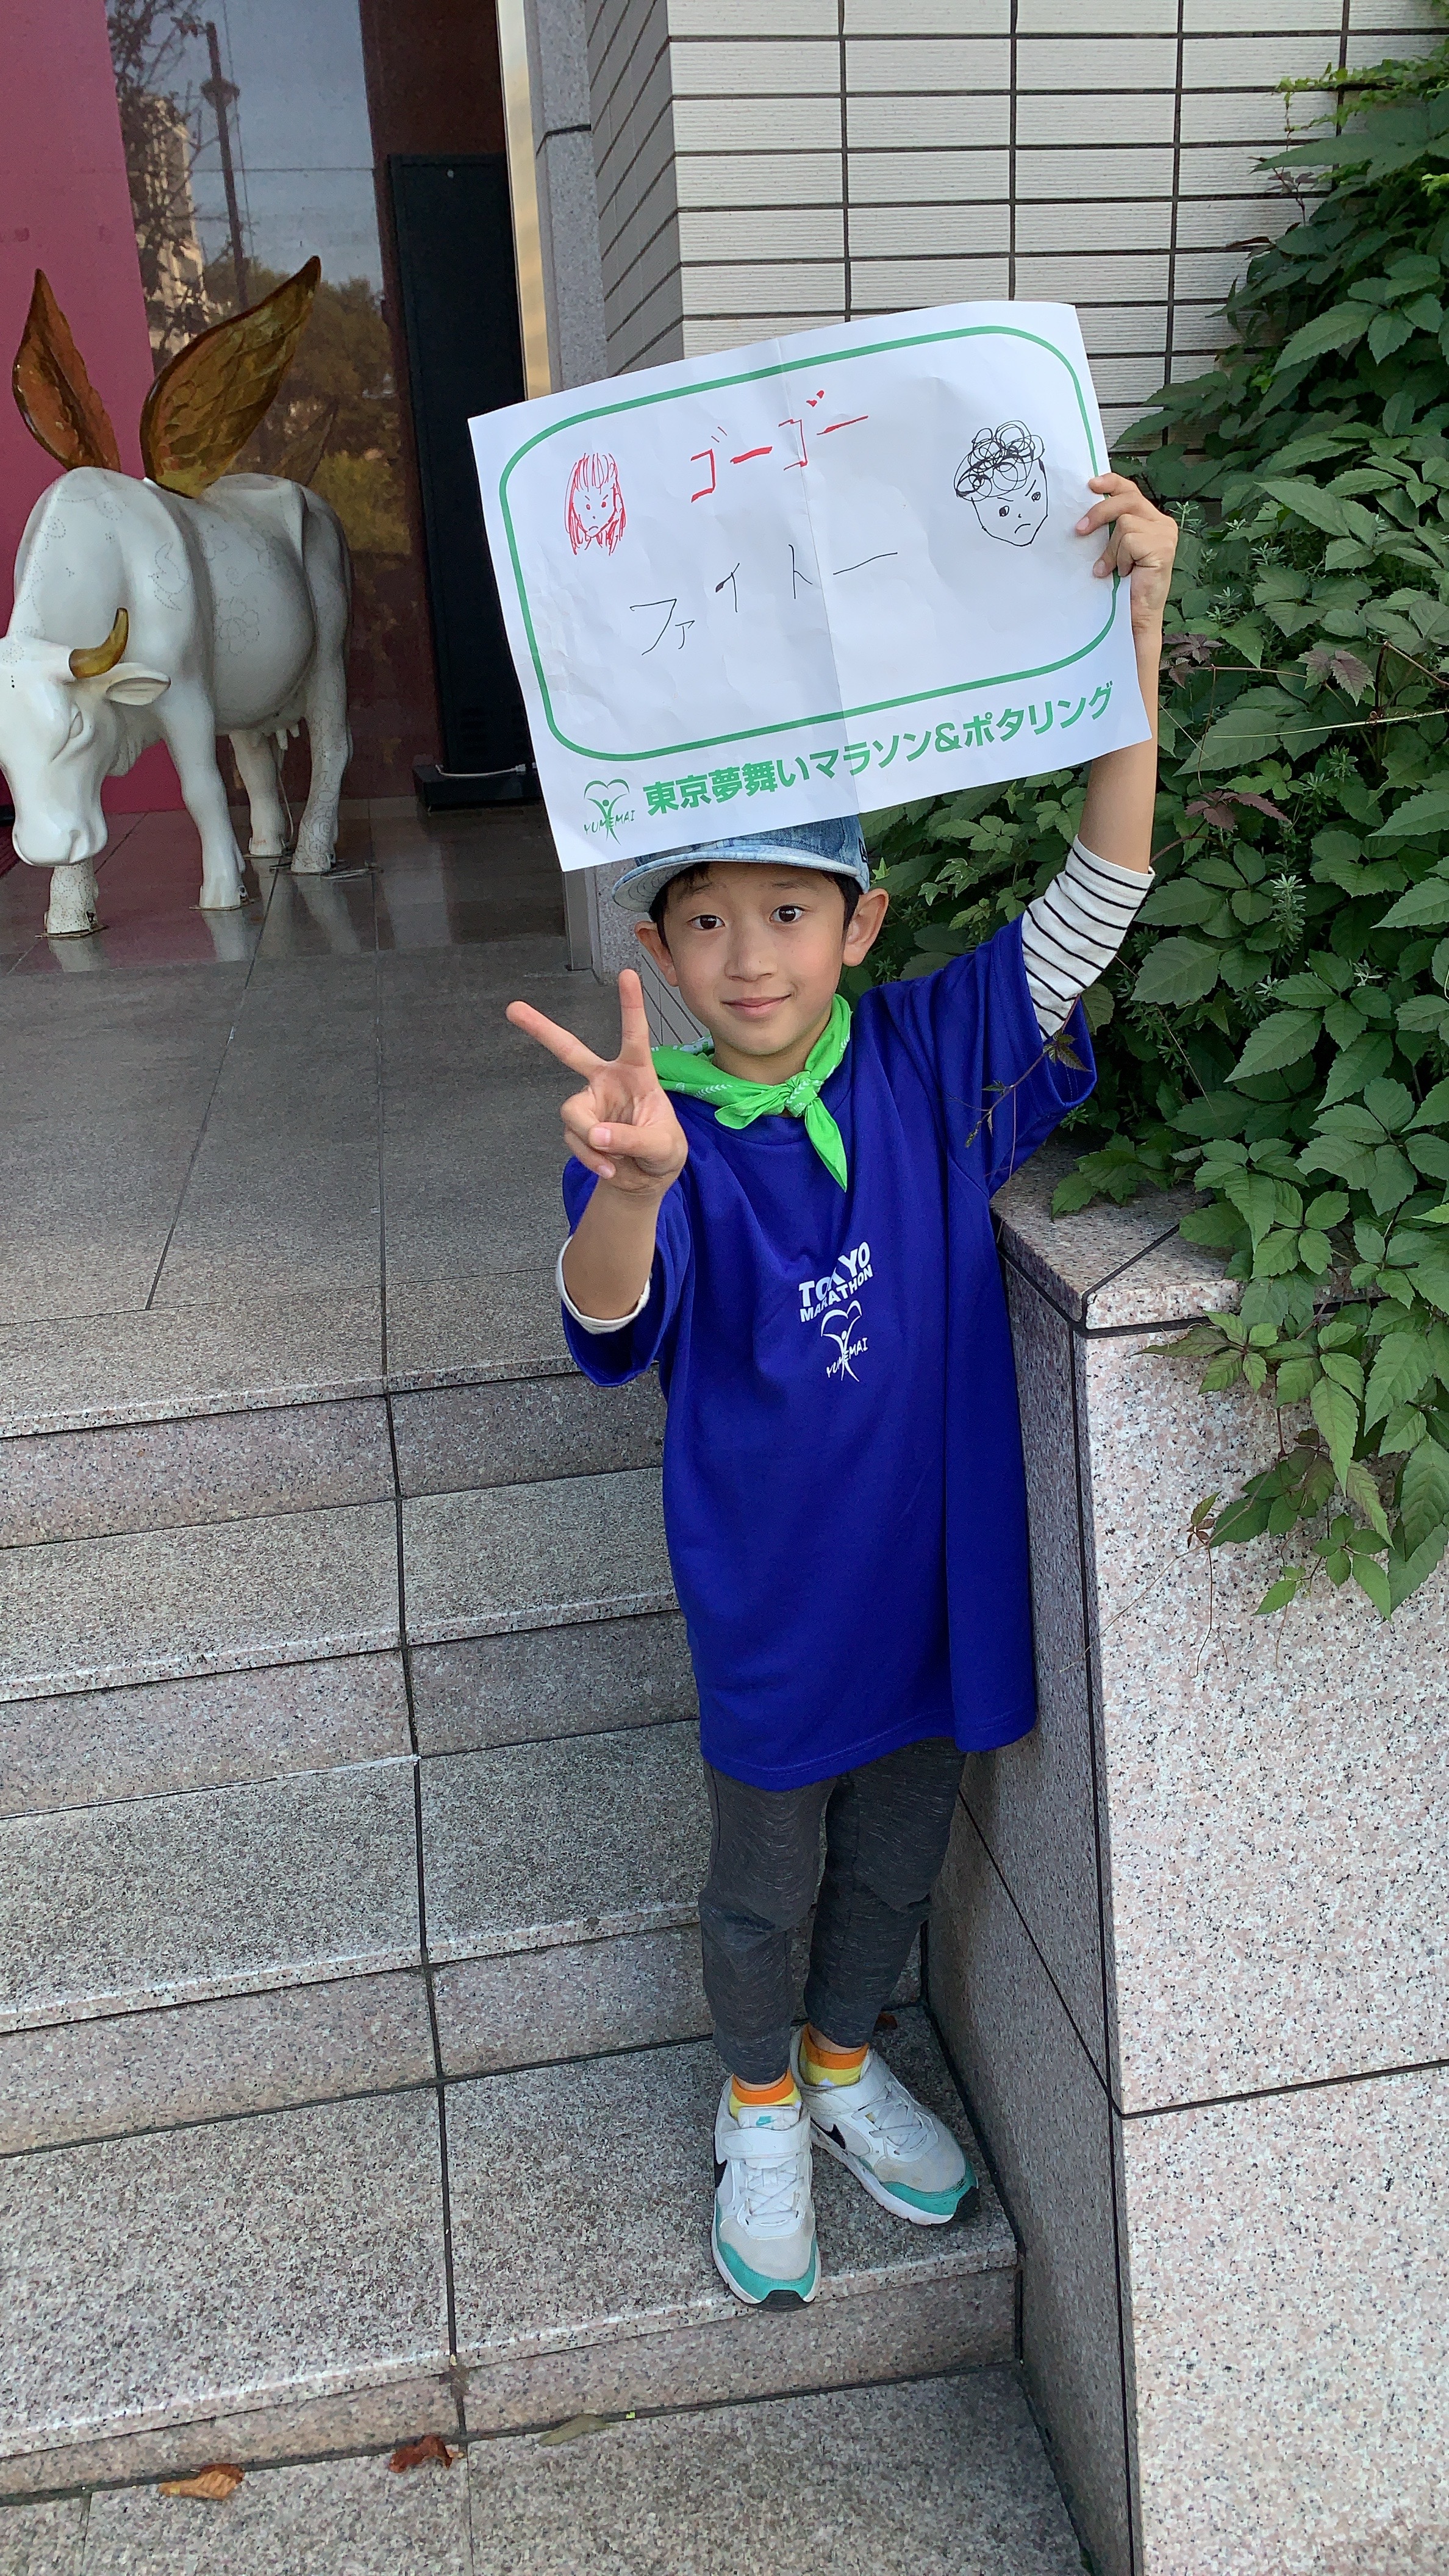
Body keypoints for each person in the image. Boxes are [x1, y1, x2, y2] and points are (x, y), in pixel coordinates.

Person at [507, 472, 1178, 2309]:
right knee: (762, 1876)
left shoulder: (928, 1054)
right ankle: (754, 2104)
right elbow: (606, 1321)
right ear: (657, 949)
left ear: (860, 925)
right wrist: (632, 1193)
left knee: (894, 1855)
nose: (750, 960)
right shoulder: (648, 1126)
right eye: (707, 922)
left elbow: (1101, 897)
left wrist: (1132, 638)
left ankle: (841, 2059)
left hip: (933, 1570)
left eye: (789, 913)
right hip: (773, 1595)